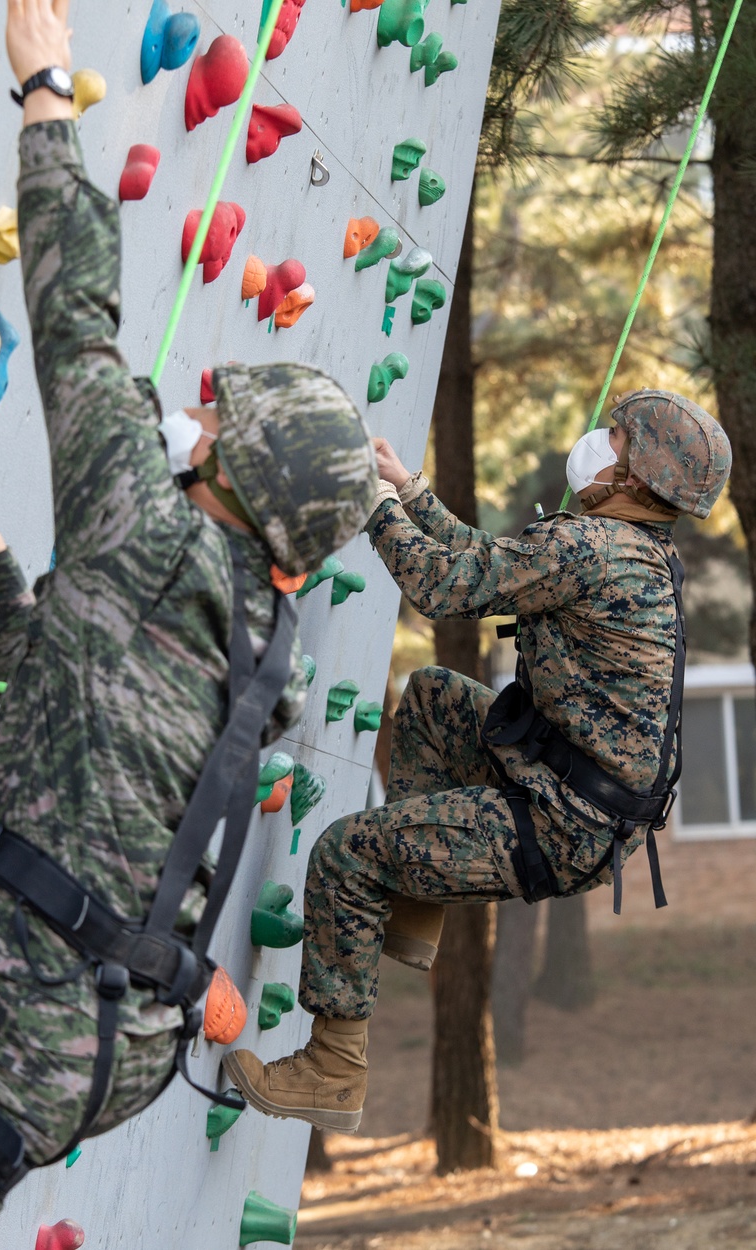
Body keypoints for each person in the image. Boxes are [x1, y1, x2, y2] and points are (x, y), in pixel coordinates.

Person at [0, 2, 375, 1247]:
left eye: (220, 428)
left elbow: (74, 328)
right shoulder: (259, 642)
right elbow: (84, 735)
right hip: (108, 1035)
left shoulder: (150, 535)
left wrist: (47, 95)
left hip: (19, 1019)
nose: (197, 427)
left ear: (244, 473)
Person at [224, 389, 732, 1134]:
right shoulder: (631, 548)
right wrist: (408, 489)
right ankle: (413, 907)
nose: (600, 443)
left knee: (347, 854)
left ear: (635, 478)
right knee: (432, 696)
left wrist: (374, 506)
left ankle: (333, 1069)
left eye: (617, 441)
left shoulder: (591, 549)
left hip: (562, 823)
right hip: (565, 789)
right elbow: (491, 564)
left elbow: (441, 586)